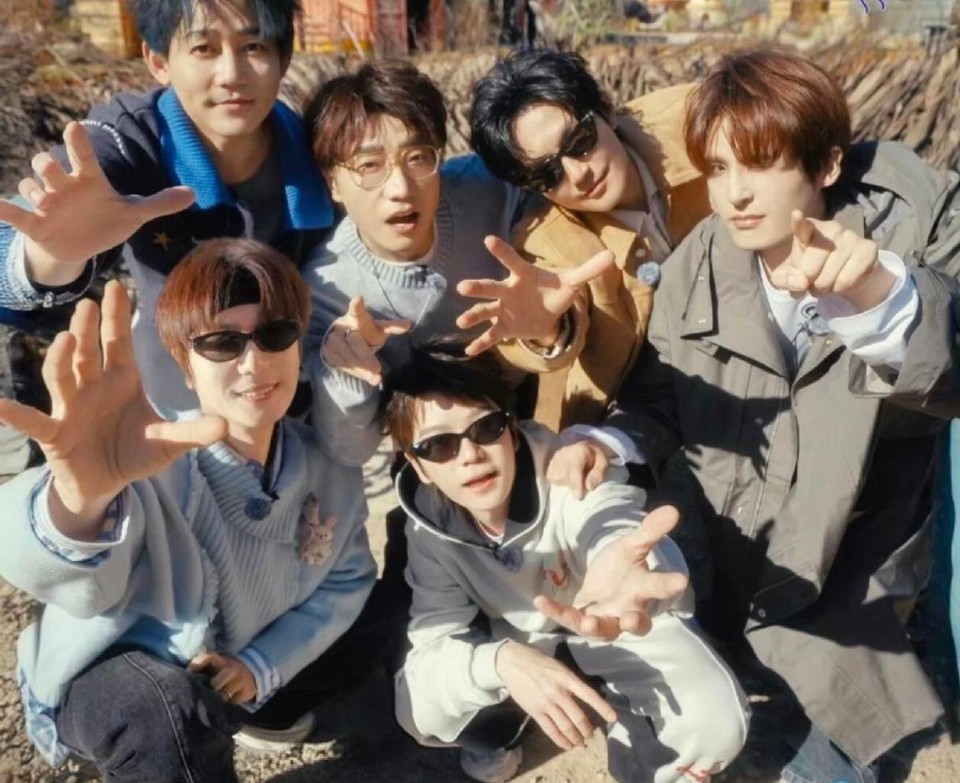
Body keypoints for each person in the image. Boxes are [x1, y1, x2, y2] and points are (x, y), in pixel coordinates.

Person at [553, 46, 960, 781]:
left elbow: (949, 353)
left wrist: (880, 300)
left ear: (826, 165)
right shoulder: (696, 265)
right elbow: (659, 392)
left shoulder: (913, 230)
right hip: (733, 569)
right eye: (717, 168)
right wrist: (605, 441)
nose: (736, 194)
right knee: (660, 757)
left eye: (762, 163)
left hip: (858, 590)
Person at [0, 238, 407, 780]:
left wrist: (261, 667)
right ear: (185, 365)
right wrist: (80, 499)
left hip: (243, 661)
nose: (253, 363)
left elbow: (346, 580)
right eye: (221, 344)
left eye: (275, 335)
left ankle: (273, 713)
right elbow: (69, 579)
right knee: (162, 709)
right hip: (125, 672)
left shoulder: (326, 467)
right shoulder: (149, 455)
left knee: (392, 611)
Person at [379, 350, 749, 783]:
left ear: (512, 430)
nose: (470, 455)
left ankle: (641, 757)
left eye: (486, 428)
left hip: (609, 624)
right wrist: (498, 662)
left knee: (716, 726)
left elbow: (608, 517)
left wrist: (628, 565)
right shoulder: (427, 527)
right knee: (423, 702)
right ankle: (501, 735)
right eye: (439, 445)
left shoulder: (566, 469)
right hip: (523, 640)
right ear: (417, 465)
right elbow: (431, 650)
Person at [0, 0, 333, 413]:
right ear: (158, 61)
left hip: (298, 406)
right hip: (172, 413)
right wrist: (51, 254)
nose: (231, 74)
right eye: (204, 49)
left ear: (284, 58)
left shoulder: (321, 149)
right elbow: (21, 247)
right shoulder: (131, 140)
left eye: (254, 47)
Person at [301, 59, 610, 467]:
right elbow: (349, 452)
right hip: (436, 451)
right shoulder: (324, 291)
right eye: (369, 166)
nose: (400, 188)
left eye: (418, 157)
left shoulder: (489, 188)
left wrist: (548, 321)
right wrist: (345, 368)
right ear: (333, 184)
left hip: (536, 410)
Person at [469, 50, 710, 429]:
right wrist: (547, 332)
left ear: (607, 109)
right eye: (547, 174)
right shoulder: (543, 239)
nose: (577, 175)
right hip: (631, 413)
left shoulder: (697, 119)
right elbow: (553, 311)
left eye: (580, 141)